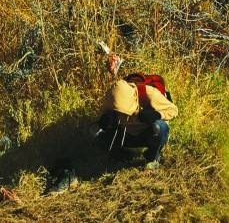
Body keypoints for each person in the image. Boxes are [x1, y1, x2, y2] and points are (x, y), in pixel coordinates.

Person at [45, 73, 179, 195]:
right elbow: (93, 131)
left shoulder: (149, 94)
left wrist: (156, 114)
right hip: (126, 135)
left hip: (147, 134)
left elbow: (173, 110)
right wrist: (103, 123)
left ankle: (152, 157)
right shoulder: (112, 101)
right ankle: (120, 154)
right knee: (98, 132)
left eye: (122, 112)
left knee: (160, 126)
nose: (120, 115)